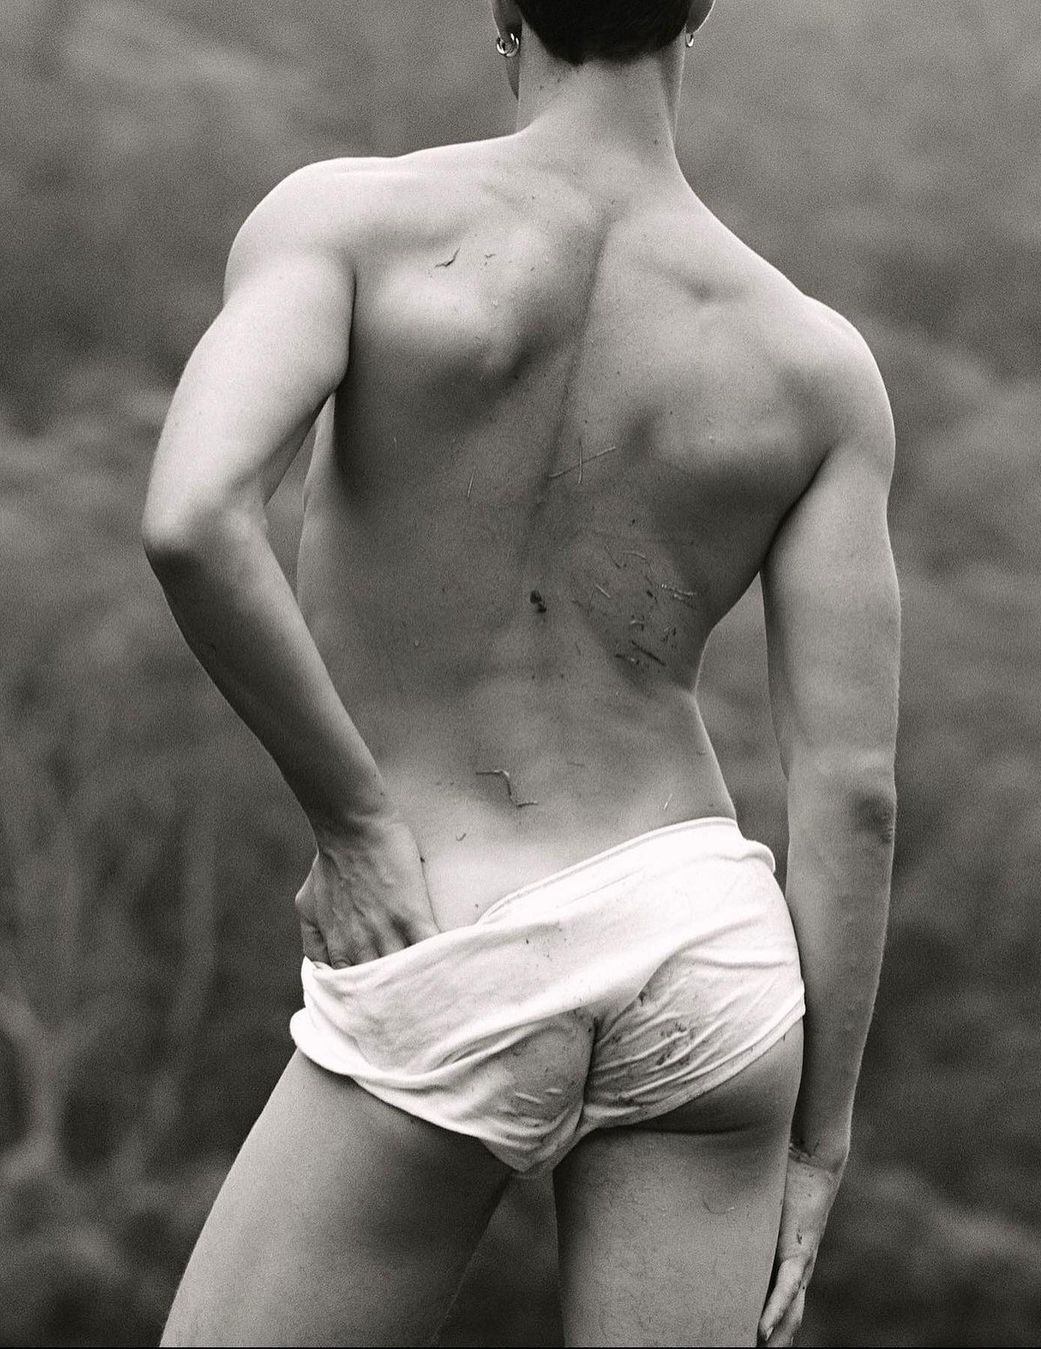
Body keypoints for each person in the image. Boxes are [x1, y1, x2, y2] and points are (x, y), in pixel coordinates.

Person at [141, 0, 900, 1344]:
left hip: (454, 925)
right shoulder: (814, 362)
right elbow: (853, 791)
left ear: (505, 4)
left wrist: (355, 826)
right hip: (702, 944)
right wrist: (817, 1143)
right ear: (699, 8)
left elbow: (195, 520)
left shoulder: (352, 225)